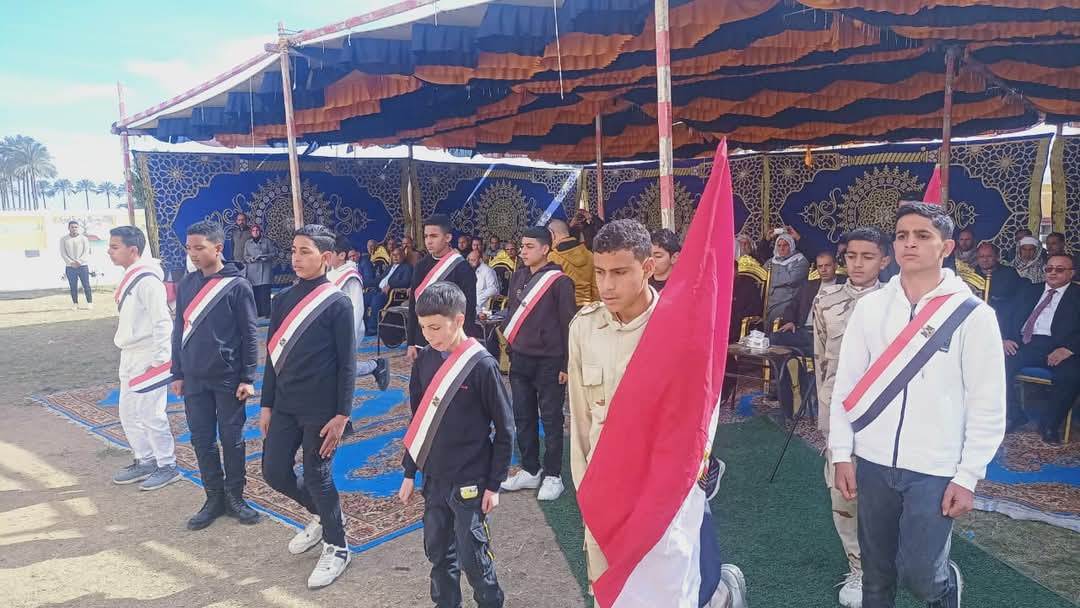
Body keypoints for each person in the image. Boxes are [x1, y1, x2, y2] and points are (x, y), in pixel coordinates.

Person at [830, 203, 1006, 608]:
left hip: (935, 467)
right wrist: (841, 452)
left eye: (922, 235)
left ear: (946, 247)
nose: (910, 243)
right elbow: (846, 385)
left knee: (922, 576)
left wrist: (968, 475)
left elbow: (988, 403)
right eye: (902, 235)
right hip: (873, 460)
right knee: (876, 575)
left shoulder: (973, 316)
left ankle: (946, 589)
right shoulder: (871, 307)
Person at [568, 219, 747, 608]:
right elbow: (581, 421)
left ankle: (719, 592)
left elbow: (694, 415)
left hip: (659, 486)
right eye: (600, 272)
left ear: (648, 267)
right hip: (606, 485)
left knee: (668, 586)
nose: (607, 285)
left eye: (620, 272)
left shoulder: (675, 326)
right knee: (610, 588)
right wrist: (585, 492)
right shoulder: (584, 328)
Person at [398, 281, 513, 608]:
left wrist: (494, 484)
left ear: (459, 320)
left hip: (470, 478)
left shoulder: (482, 365)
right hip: (434, 477)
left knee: (473, 556)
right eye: (423, 328)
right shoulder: (424, 361)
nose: (428, 335)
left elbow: (505, 429)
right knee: (438, 552)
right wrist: (409, 472)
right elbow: (418, 421)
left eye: (435, 327)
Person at [260, 224, 356, 589]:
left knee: (317, 476)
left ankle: (338, 546)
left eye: (305, 251)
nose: (296, 258)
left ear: (326, 257)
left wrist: (342, 415)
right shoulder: (282, 300)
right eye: (294, 251)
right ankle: (324, 516)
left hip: (322, 409)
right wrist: (266, 404)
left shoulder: (338, 303)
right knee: (274, 472)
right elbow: (272, 358)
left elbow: (347, 364)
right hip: (285, 404)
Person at [811, 228, 892, 608]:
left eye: (868, 257)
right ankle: (858, 567)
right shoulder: (826, 300)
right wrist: (824, 418)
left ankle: (889, 557)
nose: (857, 264)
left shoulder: (897, 302)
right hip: (840, 411)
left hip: (885, 413)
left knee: (887, 490)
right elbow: (820, 361)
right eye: (851, 256)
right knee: (843, 491)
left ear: (885, 261)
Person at [171, 221, 261, 531]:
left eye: (199, 248)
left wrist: (248, 377)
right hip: (194, 378)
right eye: (189, 248)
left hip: (228, 378)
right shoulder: (186, 284)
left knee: (232, 439)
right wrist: (177, 372)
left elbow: (249, 335)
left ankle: (235, 497)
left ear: (218, 248)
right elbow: (179, 330)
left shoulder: (237, 286)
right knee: (201, 440)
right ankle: (213, 498)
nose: (193, 254)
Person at [498, 227, 576, 502]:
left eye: (529, 246)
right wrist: (511, 348)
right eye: (522, 246)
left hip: (550, 362)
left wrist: (567, 363)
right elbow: (512, 313)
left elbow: (568, 324)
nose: (523, 251)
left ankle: (554, 475)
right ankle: (531, 469)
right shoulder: (518, 276)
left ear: (545, 249)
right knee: (523, 417)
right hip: (520, 359)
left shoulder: (560, 282)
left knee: (552, 419)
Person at [107, 226, 180, 491]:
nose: (109, 251)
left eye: (115, 247)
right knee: (128, 412)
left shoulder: (148, 280)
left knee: (151, 413)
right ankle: (145, 459)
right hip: (129, 353)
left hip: (148, 353)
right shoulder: (131, 276)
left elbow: (162, 322)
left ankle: (167, 465)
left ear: (133, 250)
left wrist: (160, 360)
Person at [1002, 254, 1080, 443]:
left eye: (1059, 269)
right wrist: (1005, 338)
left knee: (1072, 375)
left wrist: (1069, 349)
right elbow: (1007, 314)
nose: (1052, 273)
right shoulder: (1030, 290)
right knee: (996, 363)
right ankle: (1014, 415)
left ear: (1071, 273)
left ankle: (1050, 425)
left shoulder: (1077, 295)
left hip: (1061, 347)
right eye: (1049, 268)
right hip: (1025, 343)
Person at [770, 251, 842, 417]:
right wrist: (790, 321)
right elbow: (792, 305)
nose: (823, 270)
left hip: (825, 336)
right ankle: (789, 387)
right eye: (820, 266)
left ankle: (800, 384)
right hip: (804, 331)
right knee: (774, 339)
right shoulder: (809, 285)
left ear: (835, 266)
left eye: (827, 265)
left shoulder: (843, 286)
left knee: (794, 352)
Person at [407, 214, 479, 365]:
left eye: (434, 236)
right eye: (426, 236)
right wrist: (411, 342)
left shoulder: (462, 268)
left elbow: (468, 311)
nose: (429, 241)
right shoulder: (420, 266)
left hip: (451, 343)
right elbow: (414, 305)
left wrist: (464, 345)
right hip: (423, 340)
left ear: (447, 238)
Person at [327, 236, 390, 390]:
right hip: (329, 328)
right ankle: (375, 366)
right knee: (334, 365)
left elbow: (357, 308)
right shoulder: (330, 273)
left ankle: (374, 366)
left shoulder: (350, 276)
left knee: (340, 366)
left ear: (342, 255)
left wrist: (351, 333)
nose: (326, 256)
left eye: (330, 253)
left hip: (346, 328)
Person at [972, 243, 1023, 333]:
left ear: (997, 257)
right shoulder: (972, 274)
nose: (985, 259)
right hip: (975, 319)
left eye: (989, 256)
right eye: (981, 256)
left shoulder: (1009, 273)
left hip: (1003, 320)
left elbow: (1017, 300)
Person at [548, 218, 599, 307]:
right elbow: (596, 288)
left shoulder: (553, 257)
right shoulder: (589, 255)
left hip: (565, 308)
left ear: (552, 234)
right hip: (588, 307)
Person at [764, 233, 809, 327]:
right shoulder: (771, 261)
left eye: (785, 245)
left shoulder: (800, 260)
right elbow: (763, 277)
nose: (782, 248)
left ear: (791, 246)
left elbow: (791, 279)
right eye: (779, 245)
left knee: (777, 316)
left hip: (788, 301)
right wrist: (786, 271)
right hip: (769, 301)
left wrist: (773, 275)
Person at [370, 246, 413, 328]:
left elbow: (405, 282)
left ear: (403, 256)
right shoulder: (390, 267)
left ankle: (373, 329)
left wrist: (391, 285)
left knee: (376, 300)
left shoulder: (407, 267)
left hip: (390, 294)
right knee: (364, 297)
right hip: (378, 291)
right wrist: (362, 282)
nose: (395, 257)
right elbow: (379, 279)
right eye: (393, 255)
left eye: (398, 255)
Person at [243, 224, 277, 318]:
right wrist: (251, 259)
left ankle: (267, 313)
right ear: (251, 232)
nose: (255, 232)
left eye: (257, 230)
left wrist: (266, 257)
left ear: (260, 232)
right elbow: (245, 256)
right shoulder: (248, 243)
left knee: (265, 293)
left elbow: (273, 254)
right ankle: (258, 313)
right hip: (253, 271)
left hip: (264, 271)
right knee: (256, 293)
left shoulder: (267, 241)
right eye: (253, 231)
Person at [60, 220, 93, 310]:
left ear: (78, 228)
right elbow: (63, 253)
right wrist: (71, 262)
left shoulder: (84, 238)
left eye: (76, 227)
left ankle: (89, 303)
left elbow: (86, 251)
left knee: (86, 285)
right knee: (73, 286)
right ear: (68, 228)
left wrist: (79, 261)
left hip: (82, 266)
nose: (74, 229)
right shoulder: (63, 239)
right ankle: (75, 304)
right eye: (72, 227)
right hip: (70, 267)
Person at [470, 249, 500, 315]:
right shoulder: (470, 270)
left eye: (473, 260)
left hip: (483, 307)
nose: (470, 262)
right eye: (469, 260)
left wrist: (478, 300)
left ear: (480, 260)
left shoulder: (487, 271)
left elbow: (493, 289)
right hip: (471, 304)